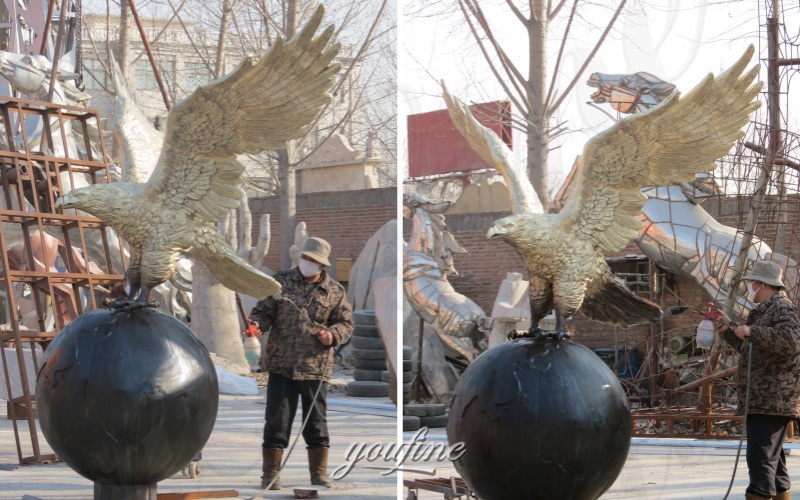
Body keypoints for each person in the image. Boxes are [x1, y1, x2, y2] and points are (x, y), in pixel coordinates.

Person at [248, 237, 354, 490]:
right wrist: (257, 325)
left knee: (316, 422)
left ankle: (319, 473)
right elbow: (263, 312)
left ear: (322, 265)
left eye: (313, 260)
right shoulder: (280, 282)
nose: (307, 263)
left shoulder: (335, 291)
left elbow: (346, 324)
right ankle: (270, 475)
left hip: (315, 366)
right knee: (276, 420)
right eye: (305, 258)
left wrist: (333, 335)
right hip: (282, 365)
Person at [716, 260, 800, 500]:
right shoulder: (763, 311)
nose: (749, 288)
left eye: (751, 283)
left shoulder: (782, 308)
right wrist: (729, 329)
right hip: (764, 398)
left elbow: (791, 342)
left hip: (772, 398)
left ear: (761, 283)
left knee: (760, 458)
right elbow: (752, 348)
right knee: (773, 460)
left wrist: (753, 331)